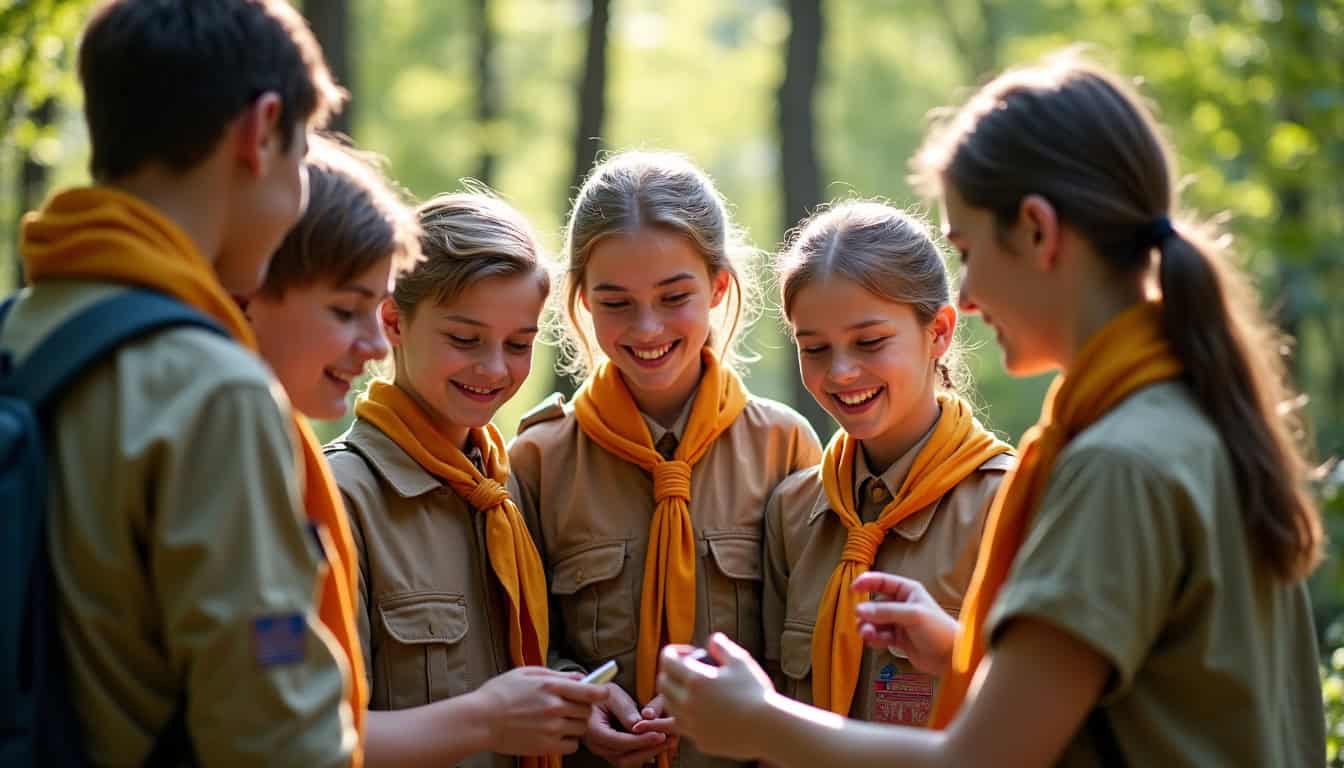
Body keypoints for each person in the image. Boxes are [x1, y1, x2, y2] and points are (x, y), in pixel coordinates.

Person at [658, 53, 1326, 768]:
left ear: (1037, 231)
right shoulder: (1192, 417)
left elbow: (980, 762)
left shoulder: (1116, 463)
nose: (968, 295)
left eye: (968, 251)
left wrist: (761, 725)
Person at [0, 0, 359, 764]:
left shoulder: (14, 333)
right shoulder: (212, 391)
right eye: (301, 159)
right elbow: (273, 736)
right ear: (259, 132)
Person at [509, 150, 823, 768]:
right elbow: (523, 641)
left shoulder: (784, 446)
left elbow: (804, 648)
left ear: (718, 287)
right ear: (582, 301)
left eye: (674, 296)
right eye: (616, 302)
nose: (647, 329)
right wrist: (583, 698)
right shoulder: (538, 460)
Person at [325, 191, 607, 768]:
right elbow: (308, 735)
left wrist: (580, 696)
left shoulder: (507, 488)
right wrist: (486, 720)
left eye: (520, 344)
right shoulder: (340, 498)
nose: (496, 368)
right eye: (464, 339)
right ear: (393, 321)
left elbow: (511, 657)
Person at [762, 200, 1012, 727]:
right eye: (815, 349)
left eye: (870, 342)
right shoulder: (794, 510)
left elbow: (1053, 712)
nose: (842, 372)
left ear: (938, 332)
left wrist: (955, 650)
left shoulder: (1008, 503)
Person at [247, 133, 423, 759]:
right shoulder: (234, 439)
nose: (377, 346)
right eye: (347, 312)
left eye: (377, 311)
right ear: (252, 283)